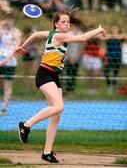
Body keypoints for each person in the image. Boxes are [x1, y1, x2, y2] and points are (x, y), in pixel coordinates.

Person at [13, 10, 105, 163]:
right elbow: (82, 37)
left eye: (68, 22)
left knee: (56, 115)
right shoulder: (58, 35)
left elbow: (35, 36)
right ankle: (26, 124)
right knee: (59, 106)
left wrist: (23, 46)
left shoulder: (51, 33)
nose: (67, 24)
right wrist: (99, 29)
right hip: (44, 75)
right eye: (63, 22)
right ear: (56, 24)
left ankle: (47, 153)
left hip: (54, 76)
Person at [0, 16, 22, 116]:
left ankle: (4, 108)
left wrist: (5, 60)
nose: (9, 21)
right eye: (6, 19)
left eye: (10, 19)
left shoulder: (17, 32)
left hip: (10, 63)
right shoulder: (1, 30)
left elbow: (16, 49)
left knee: (7, 86)